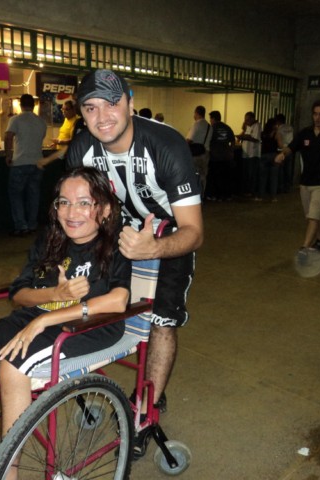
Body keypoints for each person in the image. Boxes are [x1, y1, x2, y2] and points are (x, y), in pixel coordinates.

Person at [0, 167, 130, 480]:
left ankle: (7, 472)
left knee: (12, 366)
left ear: (106, 208)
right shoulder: (50, 239)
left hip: (90, 326)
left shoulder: (116, 244)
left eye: (84, 203)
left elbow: (117, 301)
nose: (71, 212)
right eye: (63, 202)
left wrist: (49, 317)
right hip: (36, 317)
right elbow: (20, 293)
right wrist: (54, 293)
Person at [66, 68, 204, 456]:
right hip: (114, 232)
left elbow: (194, 231)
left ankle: (148, 407)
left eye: (111, 104)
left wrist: (153, 249)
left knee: (160, 318)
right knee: (85, 299)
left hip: (169, 234)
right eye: (90, 108)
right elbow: (78, 209)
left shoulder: (166, 144)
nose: (102, 116)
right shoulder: (81, 148)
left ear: (129, 100)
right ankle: (87, 376)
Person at [275, 100, 320, 262]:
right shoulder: (305, 133)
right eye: (315, 114)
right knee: (312, 215)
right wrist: (283, 154)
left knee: (313, 215)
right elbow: (291, 147)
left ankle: (305, 247)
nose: (318, 117)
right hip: (305, 182)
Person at [4, 94, 47, 236]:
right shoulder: (41, 121)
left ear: (20, 105)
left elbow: (8, 136)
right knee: (33, 195)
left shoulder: (15, 119)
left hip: (20, 162)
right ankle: (32, 224)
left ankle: (21, 226)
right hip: (37, 162)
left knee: (16, 195)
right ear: (33, 105)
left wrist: (8, 155)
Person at [206, 110, 235, 201]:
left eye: (210, 118)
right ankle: (226, 196)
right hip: (226, 157)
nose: (210, 120)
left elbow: (208, 141)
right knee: (225, 177)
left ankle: (215, 196)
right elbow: (232, 141)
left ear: (213, 118)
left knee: (215, 177)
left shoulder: (212, 128)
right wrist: (231, 151)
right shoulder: (227, 127)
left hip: (215, 156)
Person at [186, 105, 213, 196]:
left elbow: (189, 140)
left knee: (194, 174)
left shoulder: (196, 124)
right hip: (206, 153)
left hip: (195, 154)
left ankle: (194, 194)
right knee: (203, 175)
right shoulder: (209, 126)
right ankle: (202, 194)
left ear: (196, 113)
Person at [236, 111, 261, 197]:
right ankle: (246, 190)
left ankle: (252, 191)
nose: (246, 121)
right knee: (246, 173)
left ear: (253, 119)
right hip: (245, 153)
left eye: (248, 119)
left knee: (251, 174)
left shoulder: (257, 125)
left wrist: (244, 137)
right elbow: (242, 135)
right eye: (245, 119)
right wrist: (243, 130)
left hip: (253, 154)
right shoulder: (247, 126)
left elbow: (255, 139)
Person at [256, 117, 281, 202]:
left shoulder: (263, 133)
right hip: (274, 156)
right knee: (273, 178)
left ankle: (260, 196)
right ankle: (273, 197)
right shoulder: (276, 134)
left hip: (264, 155)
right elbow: (280, 145)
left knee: (262, 177)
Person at [275, 113, 294, 193]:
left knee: (281, 170)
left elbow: (277, 139)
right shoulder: (290, 127)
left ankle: (281, 187)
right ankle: (288, 187)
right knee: (288, 170)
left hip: (282, 150)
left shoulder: (279, 129)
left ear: (278, 121)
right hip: (290, 150)